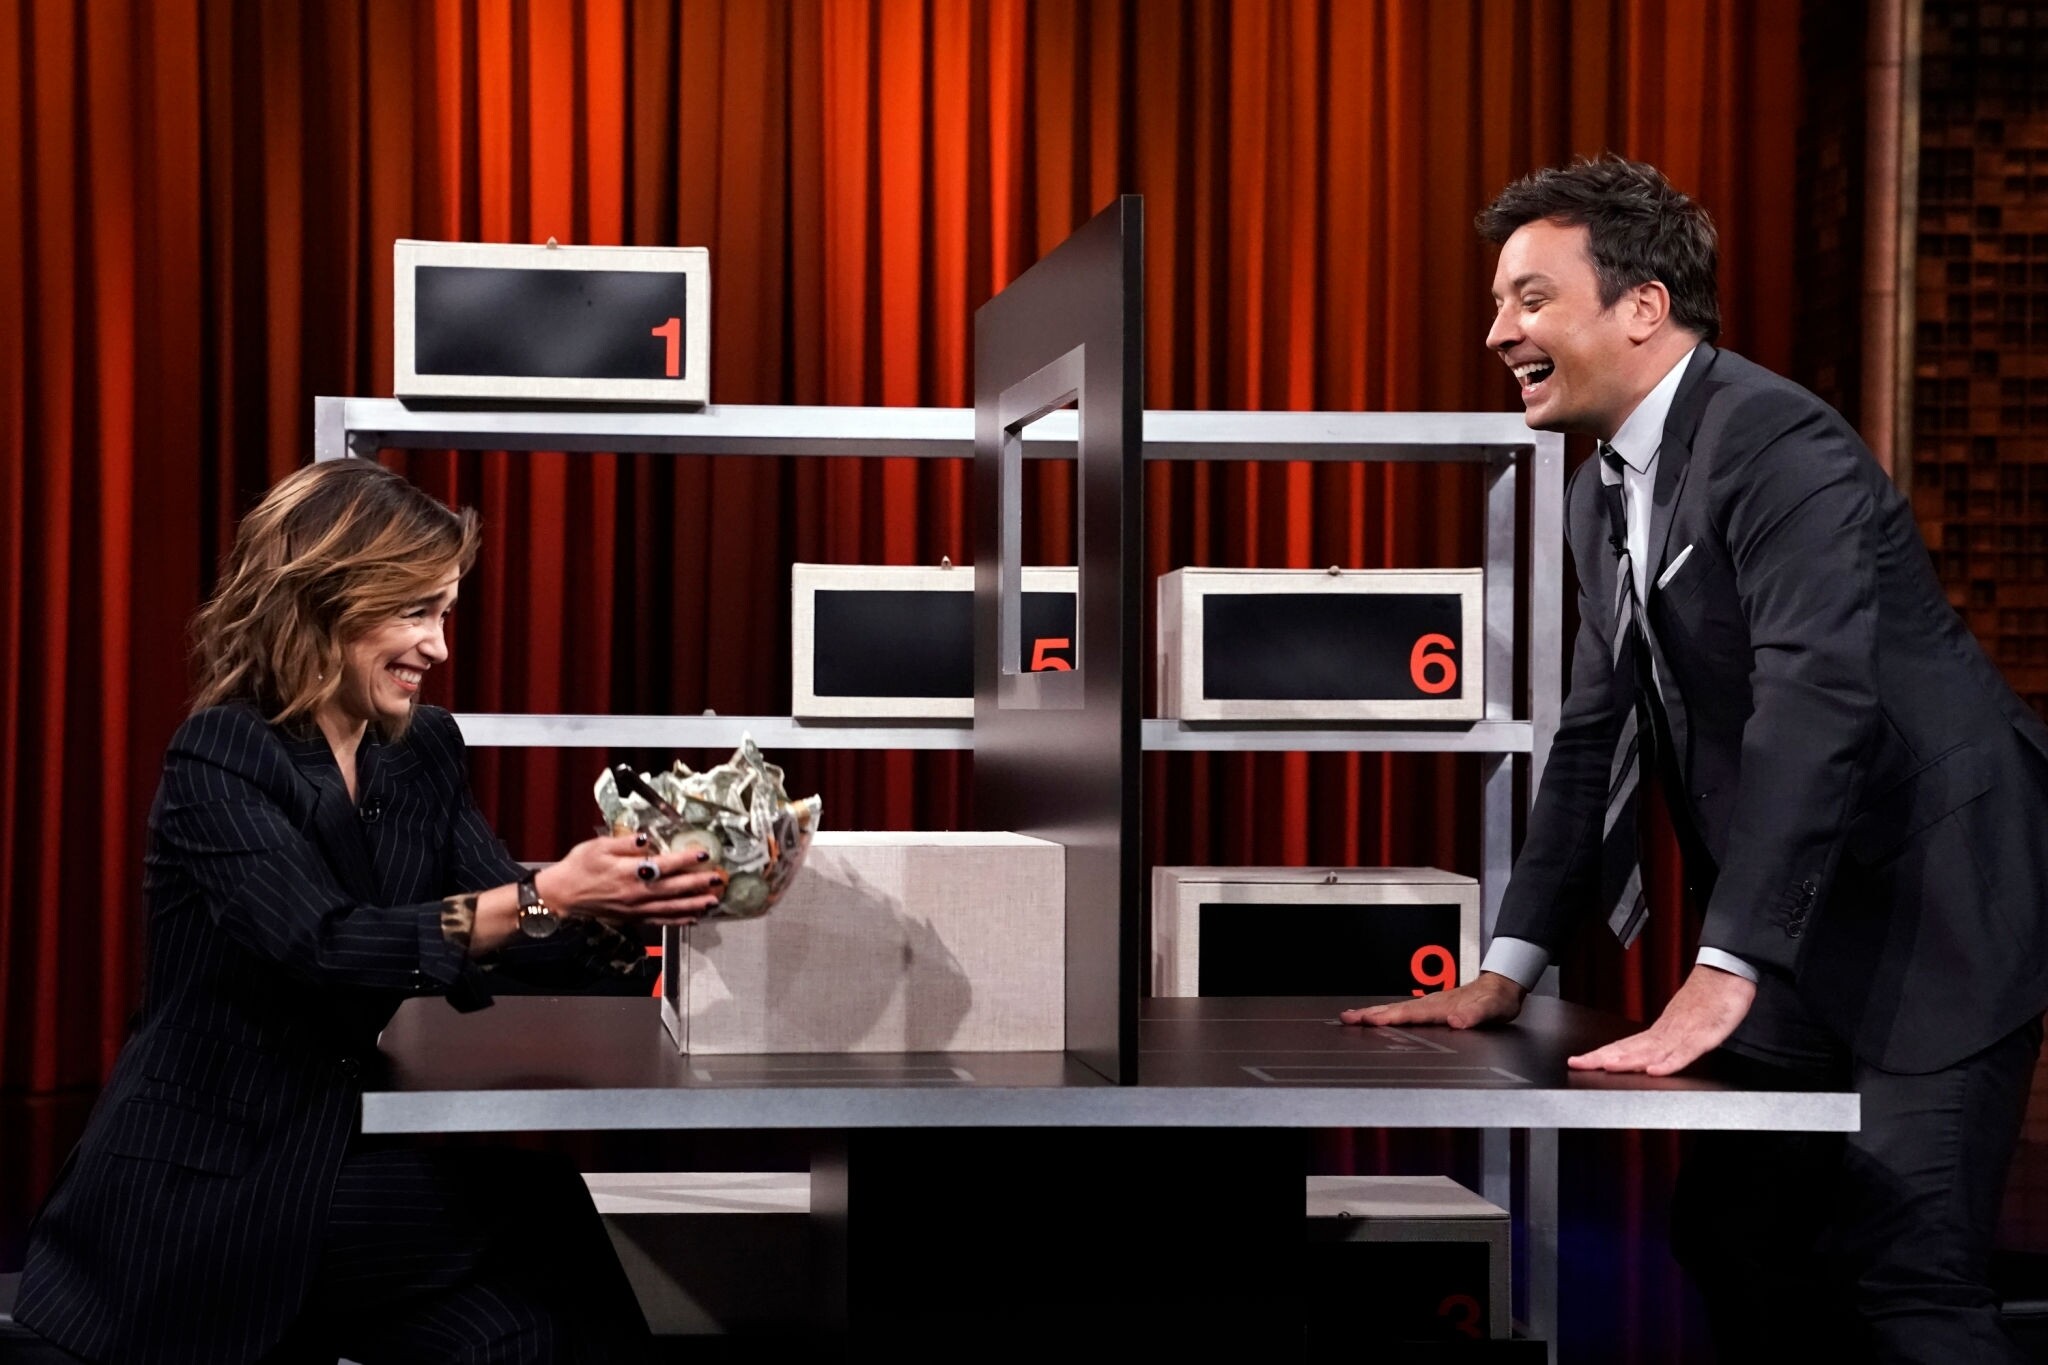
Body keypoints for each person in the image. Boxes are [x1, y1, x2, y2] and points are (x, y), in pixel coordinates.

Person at [1343, 156, 2048, 1361]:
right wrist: (1505, 970)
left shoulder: (1776, 443)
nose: (1496, 332)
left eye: (1528, 299)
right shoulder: (1597, 493)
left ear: (1642, 306)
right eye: (1499, 302)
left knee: (1907, 1281)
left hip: (1937, 906)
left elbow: (1815, 706)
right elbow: (1591, 736)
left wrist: (1725, 965)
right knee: (1736, 1241)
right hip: (1799, 923)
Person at [17, 460, 725, 1363]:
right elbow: (326, 942)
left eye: (446, 613)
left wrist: (642, 902)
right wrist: (545, 893)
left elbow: (518, 936)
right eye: (416, 611)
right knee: (541, 1203)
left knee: (518, 1338)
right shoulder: (222, 756)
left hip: (329, 1155)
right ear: (327, 597)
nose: (439, 646)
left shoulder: (420, 749)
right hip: (203, 1191)